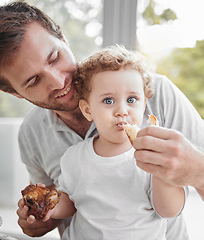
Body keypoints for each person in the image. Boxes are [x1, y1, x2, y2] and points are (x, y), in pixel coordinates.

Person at [0, 1, 204, 239]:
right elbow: (59, 204)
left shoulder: (154, 93)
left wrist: (199, 170)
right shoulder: (33, 133)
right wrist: (38, 220)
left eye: (54, 57)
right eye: (33, 81)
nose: (58, 82)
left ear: (63, 38)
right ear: (14, 93)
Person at [36, 45, 187, 240]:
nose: (122, 110)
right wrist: (49, 206)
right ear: (88, 110)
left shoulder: (153, 153)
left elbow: (169, 210)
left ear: (144, 106)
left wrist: (160, 170)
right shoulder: (74, 157)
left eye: (132, 99)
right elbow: (70, 202)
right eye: (108, 101)